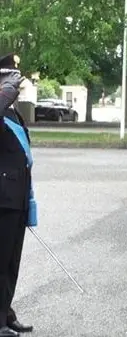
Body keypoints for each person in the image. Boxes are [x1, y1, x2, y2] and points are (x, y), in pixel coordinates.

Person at [0, 53, 36, 336]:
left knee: (12, 262)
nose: (16, 82)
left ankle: (6, 312)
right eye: (11, 77)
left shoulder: (13, 111)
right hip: (3, 198)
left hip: (18, 197)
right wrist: (6, 91)